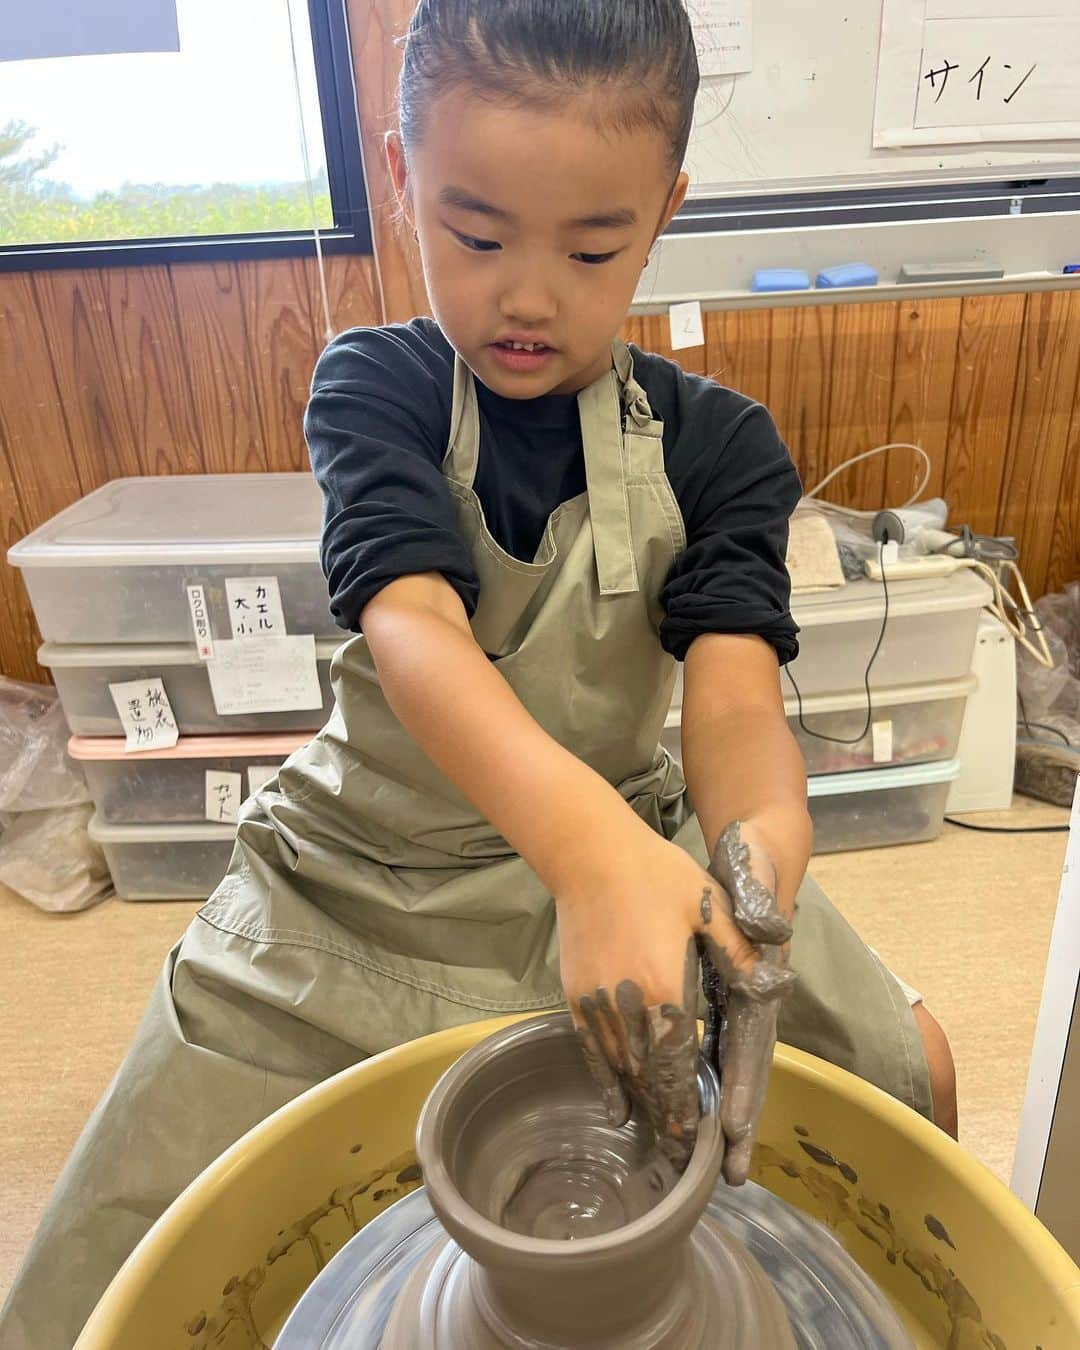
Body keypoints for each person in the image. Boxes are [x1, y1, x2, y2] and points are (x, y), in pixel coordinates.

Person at [0, 2, 957, 1345]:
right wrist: (581, 856)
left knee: (917, 1089)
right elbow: (416, 633)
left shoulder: (720, 443)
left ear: (666, 209)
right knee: (106, 1280)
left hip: (637, 846)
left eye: (592, 245)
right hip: (362, 879)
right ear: (400, 181)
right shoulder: (372, 388)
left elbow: (733, 699)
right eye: (477, 231)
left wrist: (762, 851)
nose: (526, 291)